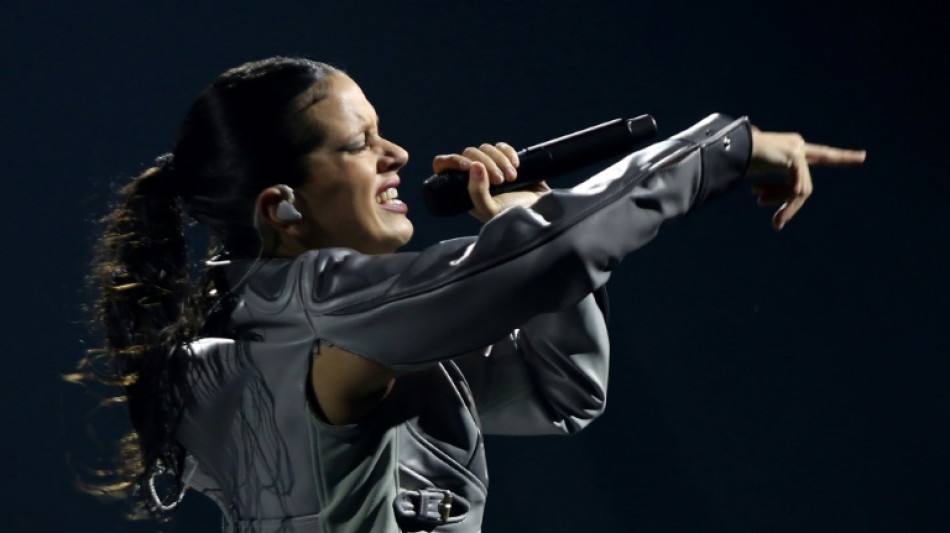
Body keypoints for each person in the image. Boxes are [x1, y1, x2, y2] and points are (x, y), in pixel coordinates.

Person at [80, 56, 865, 532]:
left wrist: (519, 217)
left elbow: (560, 393)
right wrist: (724, 151)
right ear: (282, 207)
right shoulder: (320, 314)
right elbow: (542, 261)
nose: (397, 154)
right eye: (359, 144)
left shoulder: (273, 327)